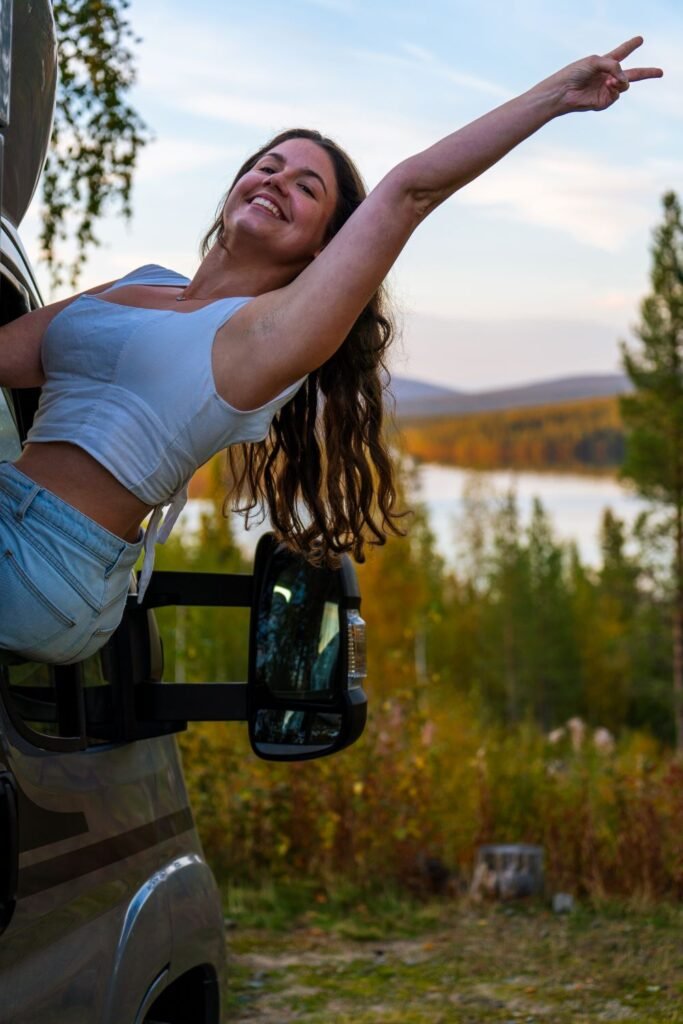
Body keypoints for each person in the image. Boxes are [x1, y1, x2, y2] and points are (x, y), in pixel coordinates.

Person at [0, 37, 663, 663]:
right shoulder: (141, 284)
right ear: (237, 184)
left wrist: (556, 94)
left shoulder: (269, 336)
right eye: (268, 165)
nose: (276, 180)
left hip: (50, 560)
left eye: (305, 187)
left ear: (325, 247)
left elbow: (410, 191)